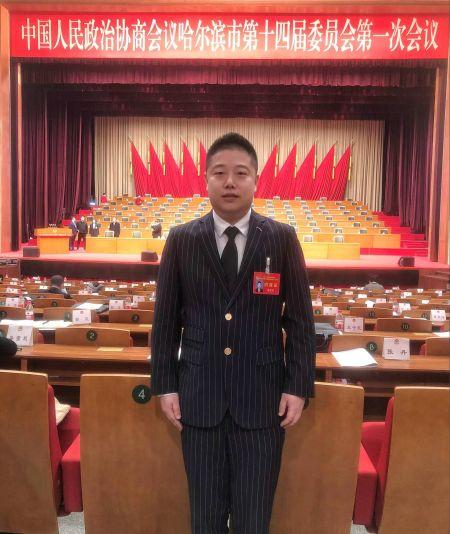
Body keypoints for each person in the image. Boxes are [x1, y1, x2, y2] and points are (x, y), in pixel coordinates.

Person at [151, 133, 315, 534]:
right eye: (219, 173)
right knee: (204, 519)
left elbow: (300, 320)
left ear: (256, 179)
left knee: (253, 520)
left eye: (240, 173)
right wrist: (165, 385)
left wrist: (297, 387)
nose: (229, 182)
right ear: (205, 179)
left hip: (262, 403)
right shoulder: (182, 240)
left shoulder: (281, 238)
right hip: (198, 401)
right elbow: (165, 321)